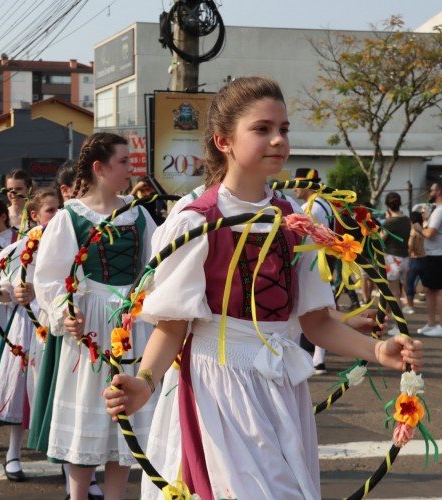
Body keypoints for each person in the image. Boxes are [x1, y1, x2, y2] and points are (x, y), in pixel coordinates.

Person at [102, 76, 423, 500]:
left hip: (280, 388)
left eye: (284, 129)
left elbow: (314, 322)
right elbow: (173, 325)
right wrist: (144, 381)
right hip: (217, 385)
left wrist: (377, 351)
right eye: (262, 129)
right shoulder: (194, 220)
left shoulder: (297, 219)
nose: (277, 140)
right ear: (224, 141)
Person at [34, 132, 158, 500]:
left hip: (131, 323)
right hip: (88, 324)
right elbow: (49, 276)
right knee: (88, 413)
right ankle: (79, 495)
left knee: (124, 415)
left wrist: (146, 297)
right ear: (100, 168)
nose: (131, 169)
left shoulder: (138, 214)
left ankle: (116, 496)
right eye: (124, 162)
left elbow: (155, 265)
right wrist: (64, 312)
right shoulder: (70, 216)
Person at [0, 188, 62, 483]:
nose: (56, 216)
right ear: (34, 215)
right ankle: (13, 453)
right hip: (28, 328)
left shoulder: (70, 244)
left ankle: (74, 466)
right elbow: (4, 287)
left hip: (58, 325)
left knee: (59, 390)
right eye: (50, 210)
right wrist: (7, 293)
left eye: (59, 209)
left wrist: (39, 292)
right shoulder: (20, 249)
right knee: (19, 390)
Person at [293, 168, 335, 374]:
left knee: (311, 310)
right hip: (324, 261)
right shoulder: (325, 205)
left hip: (313, 262)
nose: (294, 187)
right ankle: (317, 358)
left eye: (297, 183)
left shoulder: (310, 207)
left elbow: (304, 238)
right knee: (319, 309)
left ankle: (315, 360)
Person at [414, 180, 442, 338]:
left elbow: (430, 233)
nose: (430, 192)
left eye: (431, 190)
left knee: (438, 289)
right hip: (441, 253)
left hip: (437, 254)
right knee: (429, 289)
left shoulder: (440, 211)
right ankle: (432, 323)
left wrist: (419, 228)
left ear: (438, 191)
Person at [382, 192, 411, 336]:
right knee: (393, 292)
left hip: (392, 258)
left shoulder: (389, 222)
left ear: (387, 205)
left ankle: (400, 326)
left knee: (394, 294)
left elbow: (381, 240)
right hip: (404, 258)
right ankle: (384, 318)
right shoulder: (406, 220)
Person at [404, 211, 426, 316]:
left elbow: (410, 247)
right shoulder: (424, 230)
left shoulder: (412, 232)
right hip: (424, 259)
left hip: (414, 259)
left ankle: (410, 305)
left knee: (409, 283)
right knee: (425, 283)